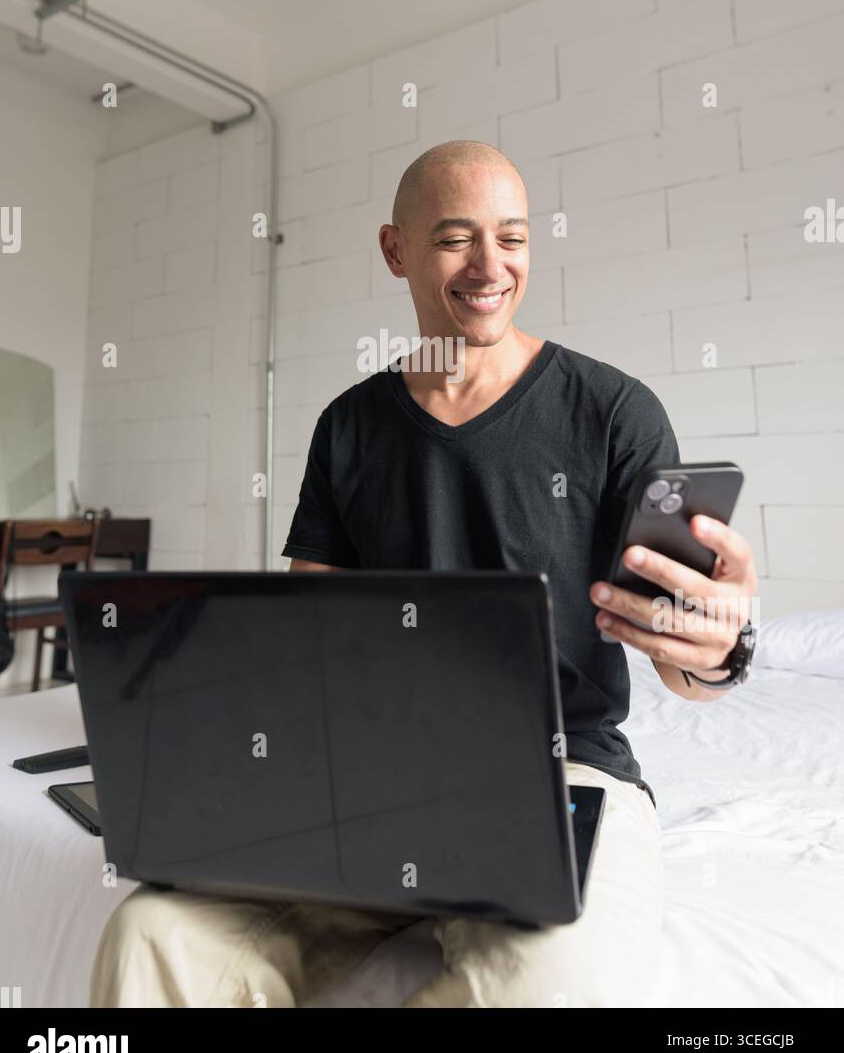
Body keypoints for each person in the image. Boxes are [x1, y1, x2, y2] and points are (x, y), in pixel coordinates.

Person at [91, 140, 757, 1008]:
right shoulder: (348, 428)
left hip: (562, 776)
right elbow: (305, 644)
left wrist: (720, 646)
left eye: (511, 238)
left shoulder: (613, 412)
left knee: (547, 980)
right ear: (395, 250)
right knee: (150, 934)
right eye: (455, 238)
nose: (490, 266)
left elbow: (682, 659)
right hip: (371, 779)